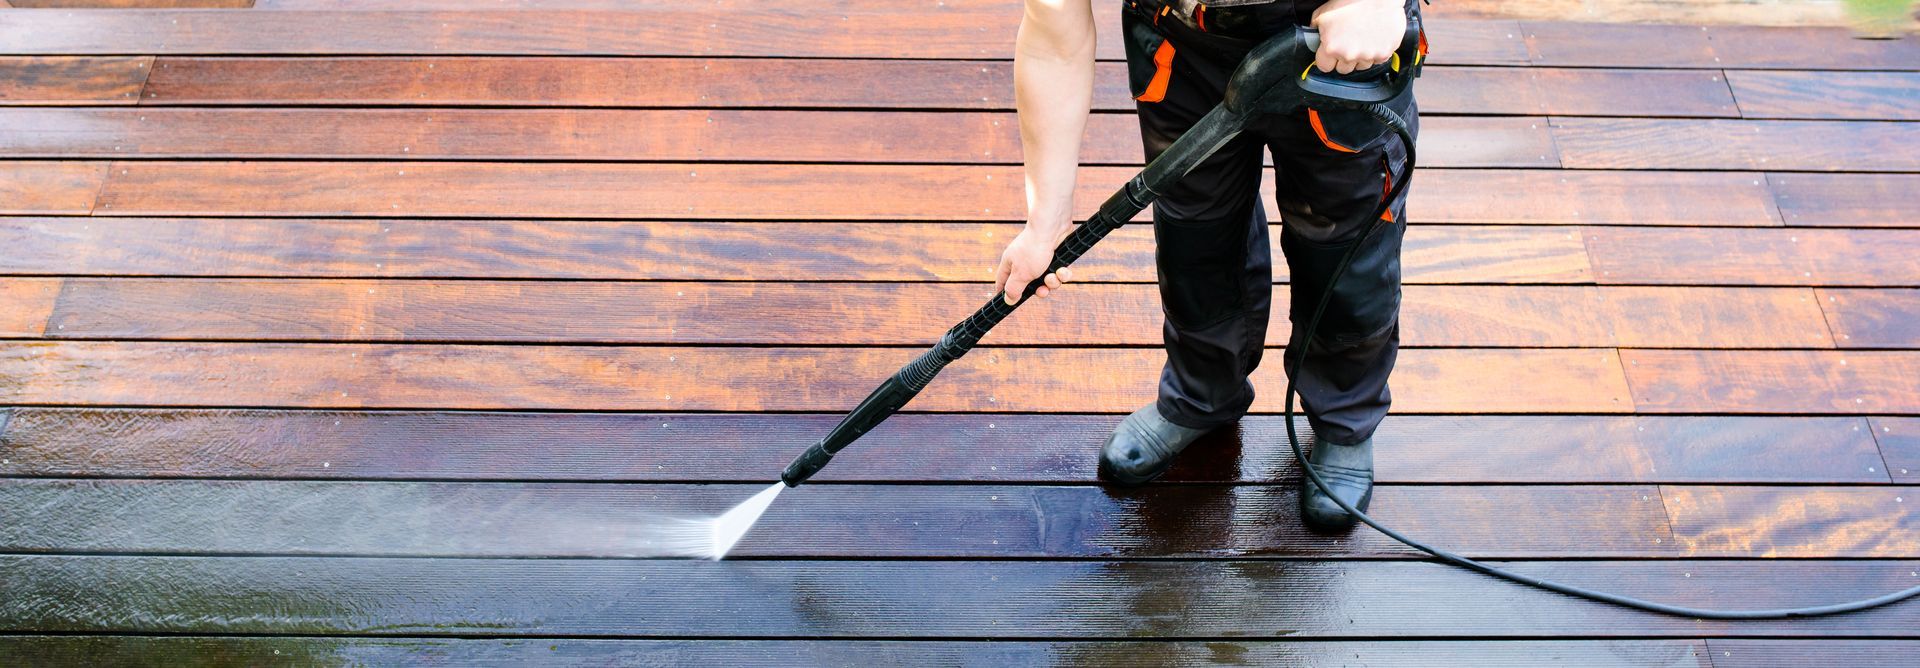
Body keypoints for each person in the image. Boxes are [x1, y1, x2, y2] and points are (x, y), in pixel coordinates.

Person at [993, 0, 1420, 531]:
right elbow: (1054, 37)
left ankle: (1344, 417)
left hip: (1338, 47)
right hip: (1183, 45)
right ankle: (1202, 393)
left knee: (1346, 253)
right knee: (1195, 235)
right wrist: (1046, 220)